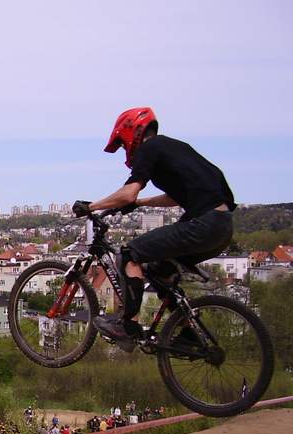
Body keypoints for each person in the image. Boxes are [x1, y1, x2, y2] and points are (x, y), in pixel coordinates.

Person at [74, 107, 236, 349]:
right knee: (160, 272)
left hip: (203, 224)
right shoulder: (176, 148)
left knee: (129, 254)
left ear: (131, 132)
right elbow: (175, 197)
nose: (125, 150)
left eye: (122, 144)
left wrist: (91, 207)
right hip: (222, 227)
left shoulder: (149, 148)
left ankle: (128, 327)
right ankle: (189, 333)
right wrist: (139, 203)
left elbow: (128, 193)